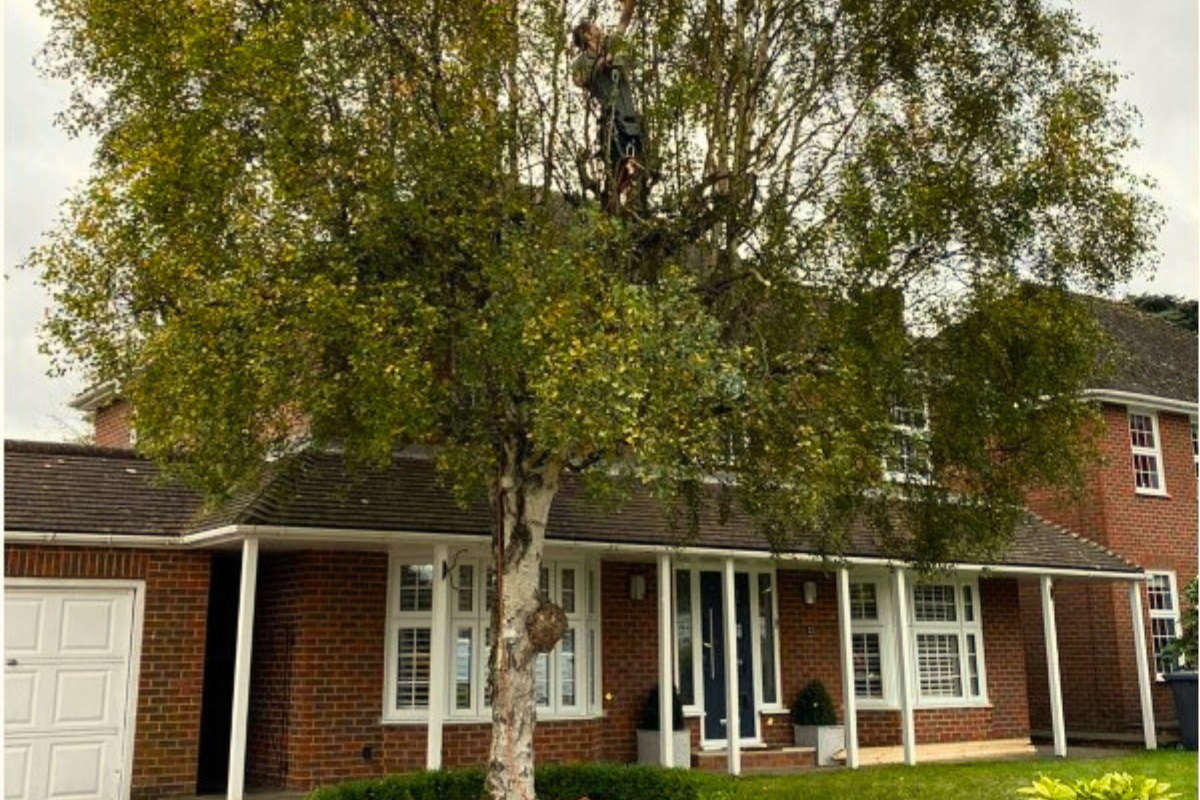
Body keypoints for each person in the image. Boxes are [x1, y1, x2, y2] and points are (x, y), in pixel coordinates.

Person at [571, 0, 644, 209]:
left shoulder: (612, 43)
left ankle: (630, 202)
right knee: (617, 161)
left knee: (635, 163)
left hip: (629, 111)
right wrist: (599, 66)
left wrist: (629, 5)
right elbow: (579, 81)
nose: (598, 29)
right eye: (594, 27)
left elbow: (624, 20)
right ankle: (613, 202)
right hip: (612, 115)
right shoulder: (580, 62)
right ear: (586, 35)